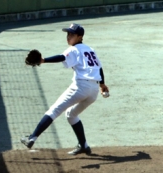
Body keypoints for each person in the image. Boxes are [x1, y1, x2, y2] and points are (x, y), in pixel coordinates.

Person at [20, 23, 109, 155]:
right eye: (68, 34)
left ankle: (32, 138)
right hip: (94, 91)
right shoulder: (90, 49)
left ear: (80, 36)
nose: (68, 36)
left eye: (72, 34)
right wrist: (102, 84)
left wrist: (43, 60)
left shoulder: (74, 49)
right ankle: (84, 145)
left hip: (81, 87)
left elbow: (62, 57)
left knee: (54, 110)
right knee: (71, 114)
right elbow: (99, 68)